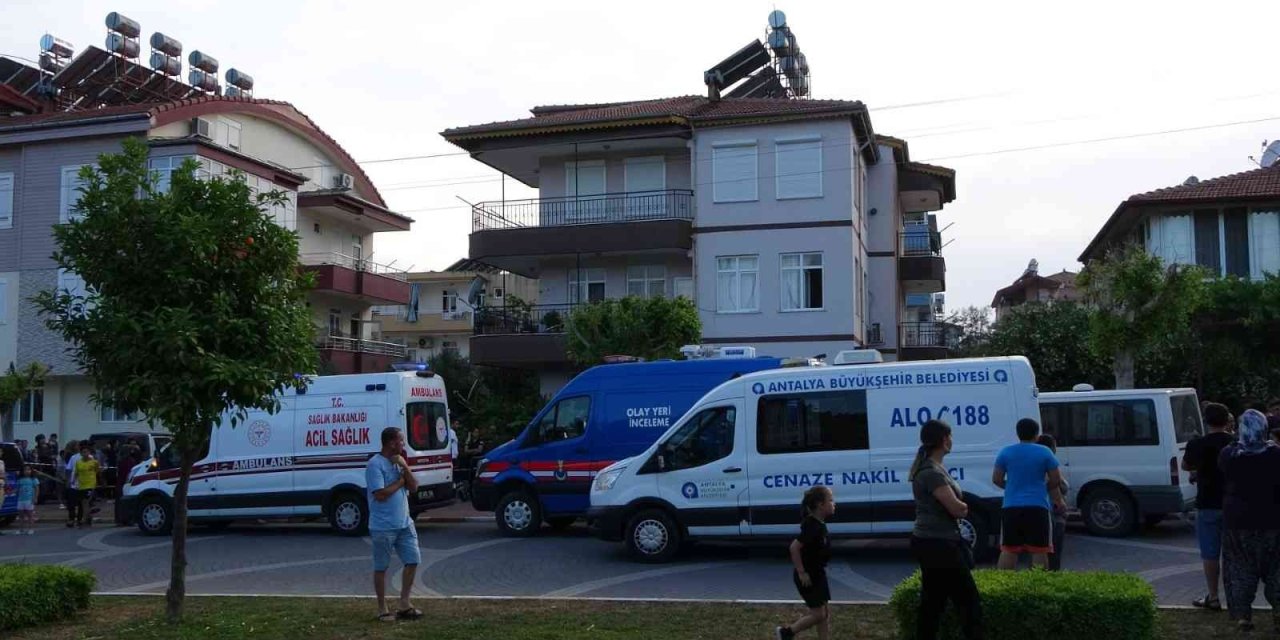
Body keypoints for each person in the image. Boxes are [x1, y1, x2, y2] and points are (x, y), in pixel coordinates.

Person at [910, 419, 983, 640]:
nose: (952, 441)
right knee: (969, 602)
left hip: (934, 541)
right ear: (943, 440)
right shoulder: (932, 472)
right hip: (938, 544)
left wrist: (960, 506)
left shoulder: (934, 468)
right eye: (950, 436)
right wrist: (963, 506)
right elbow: (956, 508)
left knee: (933, 602)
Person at [1218, 409, 1280, 633]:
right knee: (1276, 569)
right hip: (1273, 520)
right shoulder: (1275, 455)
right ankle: (1278, 612)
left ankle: (1243, 616)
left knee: (1239, 567)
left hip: (1237, 521)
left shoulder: (1229, 454)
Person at [365, 426, 423, 623]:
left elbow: (414, 487)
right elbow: (380, 495)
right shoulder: (375, 464)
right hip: (383, 526)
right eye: (401, 440)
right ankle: (382, 609)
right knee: (381, 567)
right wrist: (400, 482)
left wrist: (405, 467)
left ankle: (404, 604)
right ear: (391, 442)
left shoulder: (399, 461)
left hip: (405, 523)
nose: (403, 444)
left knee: (413, 560)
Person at [993, 418, 1066, 570]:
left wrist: (1012, 486)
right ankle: (1037, 586)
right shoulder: (1045, 452)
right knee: (1039, 549)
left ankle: (1003, 586)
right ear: (1037, 434)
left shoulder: (1006, 452)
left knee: (1009, 549)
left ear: (1018, 433)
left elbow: (997, 479)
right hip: (1038, 506)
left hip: (1011, 507)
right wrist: (1043, 488)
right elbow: (1056, 479)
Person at [1182, 402, 1235, 611]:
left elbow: (1186, 465)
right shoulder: (1235, 443)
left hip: (1207, 503)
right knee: (1233, 553)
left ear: (1206, 421)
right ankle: (1235, 596)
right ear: (1227, 421)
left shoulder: (1197, 444)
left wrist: (1198, 472)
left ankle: (1213, 596)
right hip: (1232, 503)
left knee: (1210, 553)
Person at [775, 486, 835, 640]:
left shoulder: (819, 523)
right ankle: (786, 633)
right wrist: (802, 572)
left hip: (818, 573)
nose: (834, 503)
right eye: (831, 500)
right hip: (808, 577)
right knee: (818, 614)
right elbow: (794, 548)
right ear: (820, 505)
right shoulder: (812, 525)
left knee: (824, 613)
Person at [1036, 434, 1070, 572]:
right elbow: (1059, 486)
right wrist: (1062, 507)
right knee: (1052, 553)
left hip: (1039, 510)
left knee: (1038, 550)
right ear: (1051, 447)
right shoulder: (1048, 462)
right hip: (1053, 513)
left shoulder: (1034, 462)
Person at [73, 443, 100, 527]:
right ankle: (89, 518)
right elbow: (76, 473)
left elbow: (98, 471)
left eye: (87, 452)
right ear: (81, 453)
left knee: (86, 501)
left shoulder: (94, 462)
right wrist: (73, 481)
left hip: (90, 484)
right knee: (84, 504)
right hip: (81, 485)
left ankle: (83, 520)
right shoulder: (78, 462)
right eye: (83, 452)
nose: (85, 454)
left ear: (89, 453)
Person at [16, 465, 39, 535]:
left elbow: (37, 489)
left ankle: (31, 529)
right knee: (21, 516)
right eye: (25, 470)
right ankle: (21, 529)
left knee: (30, 515)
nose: (27, 471)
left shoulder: (34, 479)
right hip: (20, 500)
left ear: (31, 471)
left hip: (29, 500)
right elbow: (17, 490)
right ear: (22, 471)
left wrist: (35, 498)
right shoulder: (20, 480)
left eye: (28, 469)